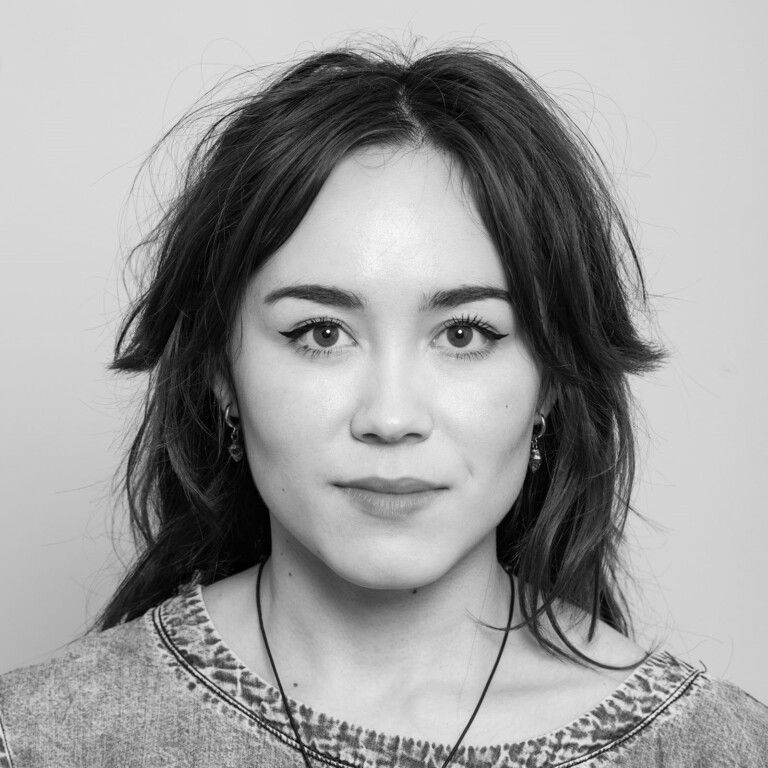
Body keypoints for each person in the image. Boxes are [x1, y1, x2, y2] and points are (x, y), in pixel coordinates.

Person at [1, 43, 766, 768]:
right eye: (321, 332)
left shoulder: (718, 748)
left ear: (554, 380)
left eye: (464, 333)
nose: (391, 416)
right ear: (220, 374)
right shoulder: (41, 736)